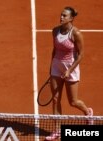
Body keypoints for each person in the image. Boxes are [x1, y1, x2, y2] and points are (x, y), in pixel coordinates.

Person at [45, 7, 93, 140]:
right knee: (55, 100)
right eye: (61, 15)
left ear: (71, 18)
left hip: (70, 68)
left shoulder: (76, 33)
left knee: (73, 101)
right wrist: (51, 68)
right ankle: (57, 130)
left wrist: (69, 70)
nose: (61, 17)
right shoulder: (55, 31)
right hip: (56, 66)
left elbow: (81, 55)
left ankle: (88, 112)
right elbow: (54, 51)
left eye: (64, 16)